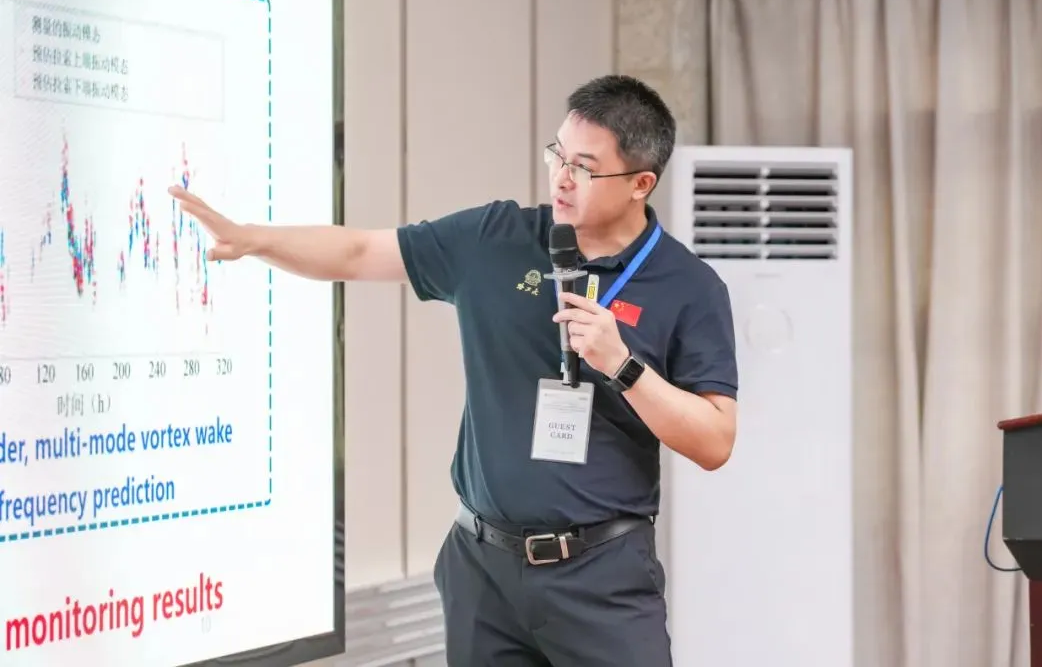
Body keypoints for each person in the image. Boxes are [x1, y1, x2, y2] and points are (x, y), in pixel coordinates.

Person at [170, 74, 738, 666]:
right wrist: (253, 239)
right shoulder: (495, 238)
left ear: (640, 183)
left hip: (601, 576)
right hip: (483, 572)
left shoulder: (689, 287)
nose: (562, 177)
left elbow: (715, 441)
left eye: (585, 168)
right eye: (558, 155)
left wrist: (623, 366)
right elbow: (359, 252)